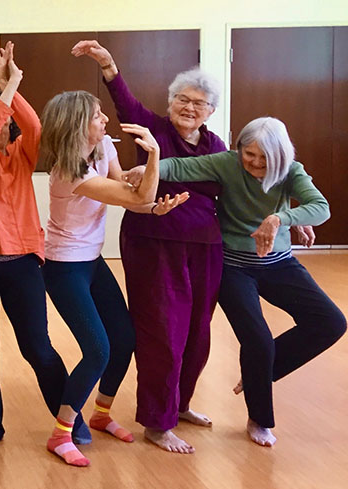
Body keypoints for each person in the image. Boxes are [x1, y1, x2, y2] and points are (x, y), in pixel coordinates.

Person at [126, 117, 345, 447]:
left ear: (281, 156)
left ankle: (259, 371)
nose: (255, 163)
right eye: (249, 154)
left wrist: (281, 218)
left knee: (331, 322)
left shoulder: (292, 171)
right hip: (233, 268)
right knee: (258, 340)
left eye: (264, 158)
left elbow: (321, 207)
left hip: (278, 263)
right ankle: (259, 419)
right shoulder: (226, 163)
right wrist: (148, 169)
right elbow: (182, 167)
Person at [71, 39, 226, 453]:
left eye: (199, 103)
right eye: (182, 99)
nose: (189, 108)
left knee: (198, 333)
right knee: (163, 332)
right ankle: (158, 423)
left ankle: (182, 404)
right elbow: (124, 102)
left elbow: (238, 191)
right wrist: (108, 65)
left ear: (211, 111)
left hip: (206, 249)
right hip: (154, 245)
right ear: (171, 101)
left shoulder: (217, 148)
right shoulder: (152, 128)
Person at [0, 42, 90, 450]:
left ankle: (69, 417)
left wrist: (12, 84)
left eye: (1, 105)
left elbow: (36, 127)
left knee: (37, 346)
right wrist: (5, 90)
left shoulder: (24, 153)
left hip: (22, 263)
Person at [38, 90, 179, 467]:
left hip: (92, 261)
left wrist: (152, 205)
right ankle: (60, 433)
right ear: (76, 126)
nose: (105, 121)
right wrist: (153, 157)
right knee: (98, 350)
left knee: (124, 339)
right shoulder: (69, 172)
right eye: (97, 116)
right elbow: (134, 196)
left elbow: (135, 194)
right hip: (65, 266)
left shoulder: (103, 150)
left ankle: (101, 413)